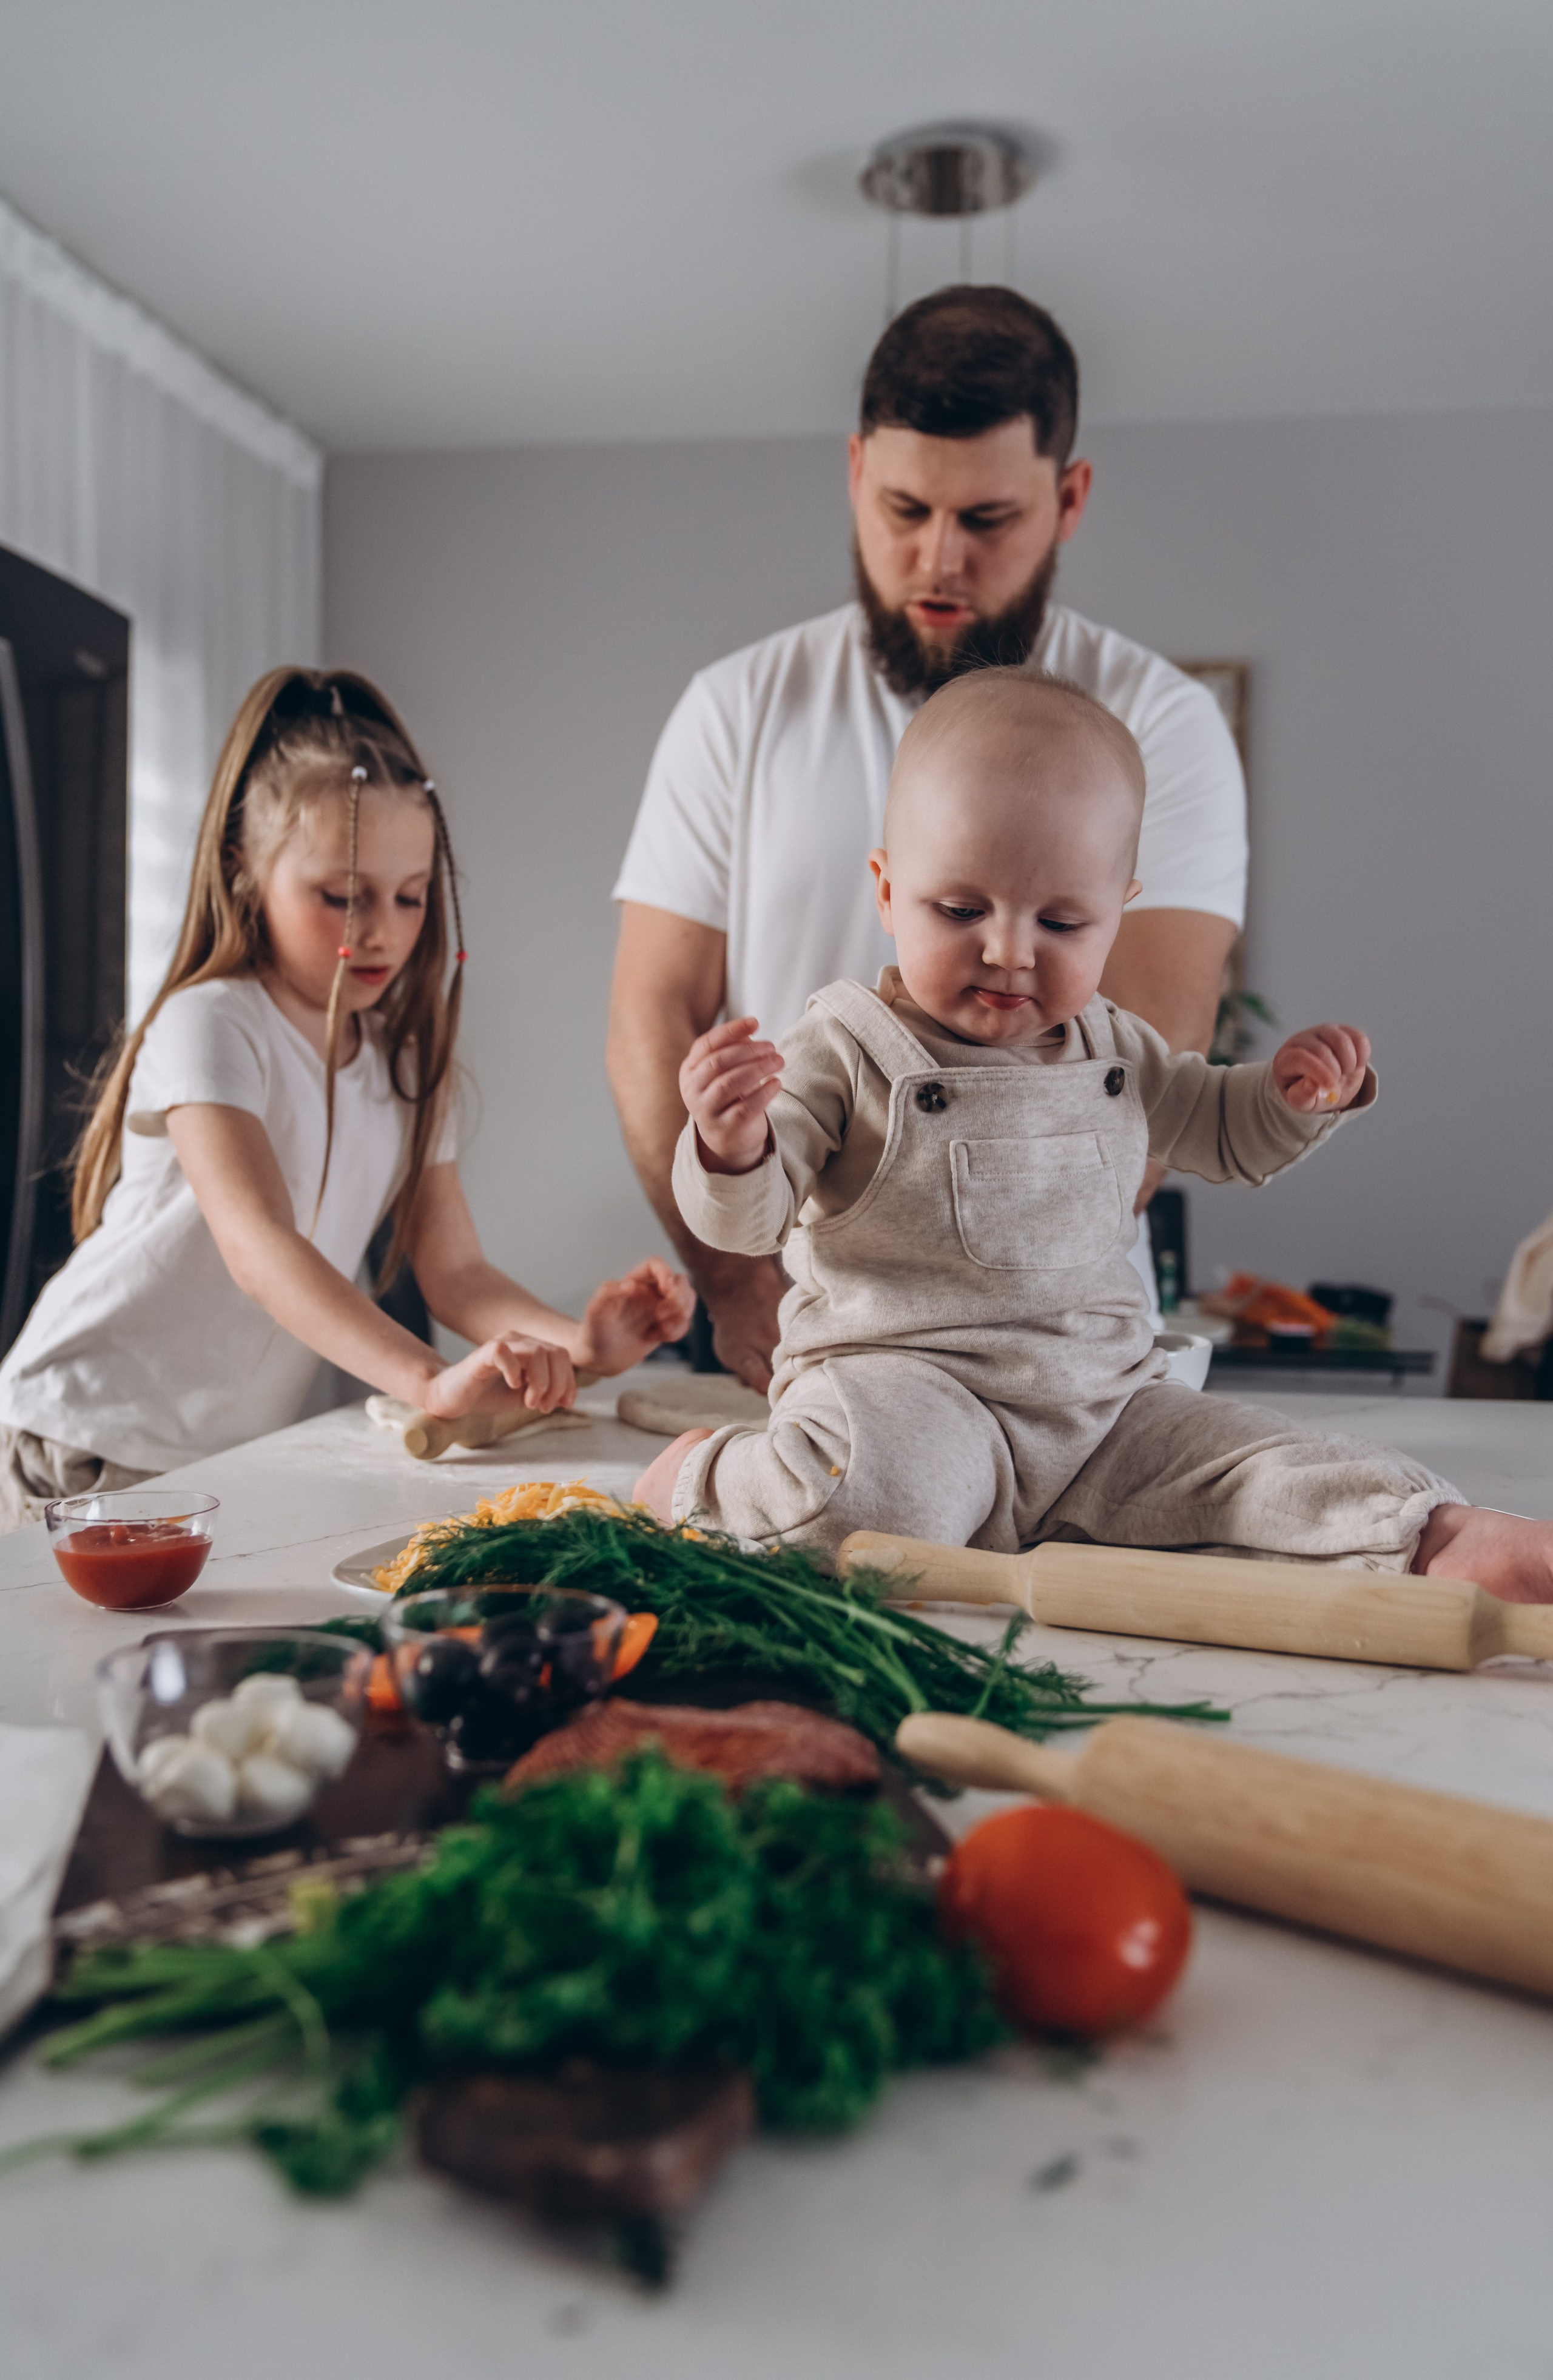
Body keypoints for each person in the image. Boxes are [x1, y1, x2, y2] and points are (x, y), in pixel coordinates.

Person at [634, 672, 1552, 1605]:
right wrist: (732, 1143)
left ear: (1119, 909)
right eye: (959, 911)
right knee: (873, 1506)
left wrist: (1287, 1100)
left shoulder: (1113, 1045)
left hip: (1108, 1408)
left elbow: (1218, 1129)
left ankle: (1433, 1540)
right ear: (885, 889)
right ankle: (704, 1481)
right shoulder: (844, 1046)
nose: (1009, 949)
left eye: (1062, 921)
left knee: (1264, 1467)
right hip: (913, 1395)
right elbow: (748, 1221)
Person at [609, 283, 1247, 1390]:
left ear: (1070, 496)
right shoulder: (736, 706)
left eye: (987, 519)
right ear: (856, 472)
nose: (939, 560)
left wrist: (948, 1320)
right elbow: (650, 1016)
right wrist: (738, 1287)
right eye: (905, 510)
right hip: (795, 1323)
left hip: (1058, 1340)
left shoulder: (1164, 724)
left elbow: (1146, 1062)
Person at [0, 668, 692, 1530]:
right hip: (79, 1436)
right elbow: (261, 1247)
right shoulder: (211, 1024)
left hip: (208, 1463)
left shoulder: (403, 1068)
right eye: (342, 897)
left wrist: (582, 1345)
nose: (384, 931)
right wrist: (427, 1382)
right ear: (243, 867)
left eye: (410, 898)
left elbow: (458, 1272)